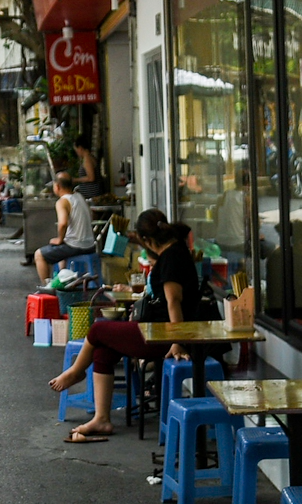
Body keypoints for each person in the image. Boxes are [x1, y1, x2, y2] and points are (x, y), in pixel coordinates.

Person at [48, 209, 201, 442]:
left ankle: (76, 372)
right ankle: (102, 419)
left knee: (98, 329)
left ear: (148, 240)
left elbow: (174, 300)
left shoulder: (172, 258)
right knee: (103, 350)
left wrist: (177, 341)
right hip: (157, 331)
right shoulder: (173, 252)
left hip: (161, 336)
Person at [34, 171, 97, 284]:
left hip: (76, 246)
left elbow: (63, 223)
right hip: (90, 245)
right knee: (62, 252)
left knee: (39, 255)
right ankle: (64, 281)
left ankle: (47, 288)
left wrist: (59, 239)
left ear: (57, 186)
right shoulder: (79, 197)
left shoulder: (62, 202)